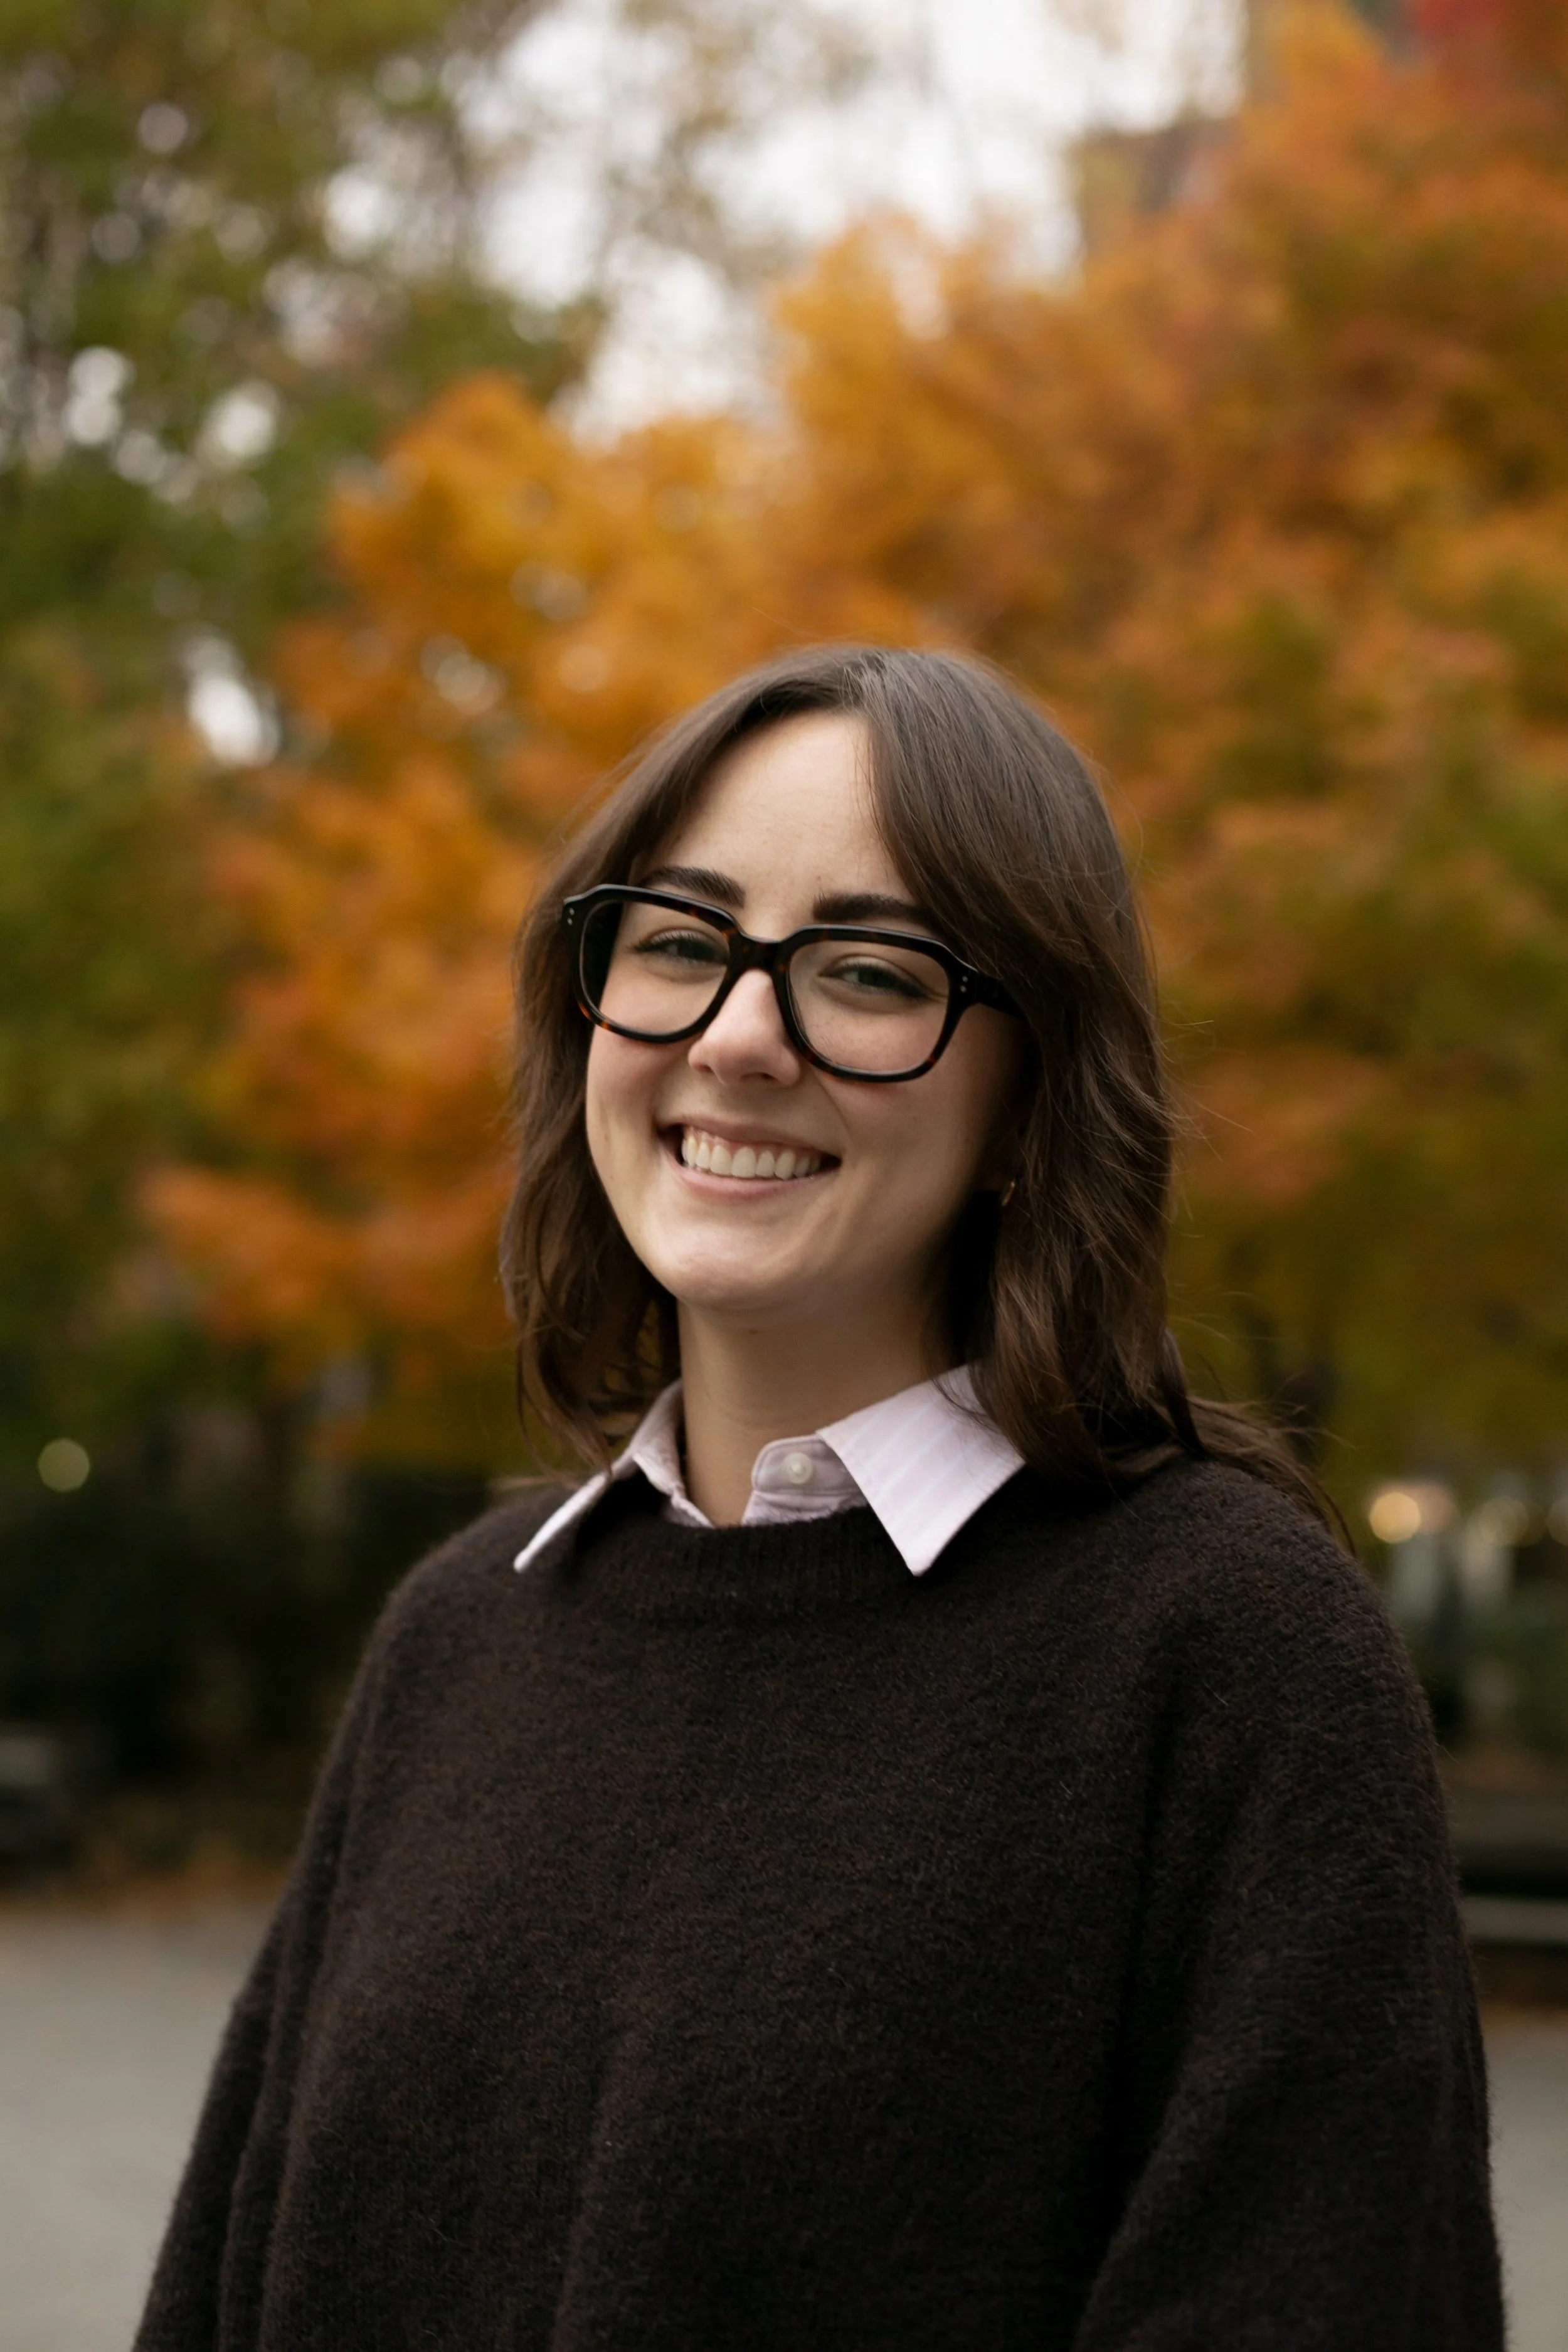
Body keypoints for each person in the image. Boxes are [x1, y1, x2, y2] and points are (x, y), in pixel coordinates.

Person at [137, 645, 1502, 2351]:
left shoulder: (1224, 1648)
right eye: (679, 944)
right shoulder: (460, 1632)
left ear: (1033, 1091)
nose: (737, 1034)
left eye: (864, 970)